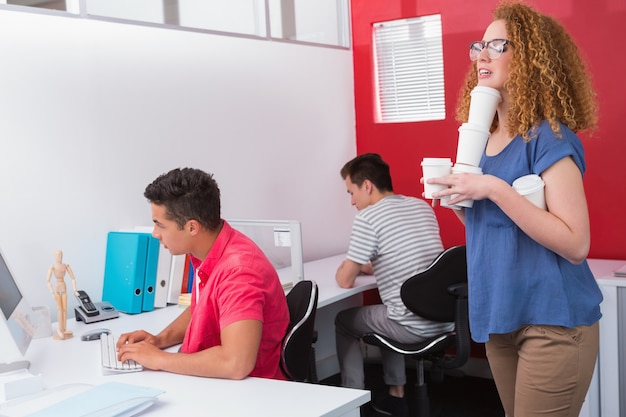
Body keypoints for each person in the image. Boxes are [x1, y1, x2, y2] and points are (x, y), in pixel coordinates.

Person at [425, 2, 603, 416]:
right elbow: (491, 224)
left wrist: (491, 187)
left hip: (552, 320)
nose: (481, 55)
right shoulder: (482, 141)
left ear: (528, 58)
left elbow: (576, 244)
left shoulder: (549, 137)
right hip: (500, 313)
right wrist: (457, 197)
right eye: (479, 46)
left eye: (498, 45)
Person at [116, 167, 290, 380]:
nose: (155, 234)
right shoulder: (211, 250)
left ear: (192, 228)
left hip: (246, 393)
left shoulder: (239, 272)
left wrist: (159, 359)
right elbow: (203, 307)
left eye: (160, 225)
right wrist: (158, 340)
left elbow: (236, 363)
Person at [334, 153, 449, 417]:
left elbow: (344, 280)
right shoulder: (421, 206)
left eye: (351, 192)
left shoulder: (368, 219)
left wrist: (349, 265)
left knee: (344, 321)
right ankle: (396, 393)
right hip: (447, 318)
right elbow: (408, 258)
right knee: (386, 309)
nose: (352, 201)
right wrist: (367, 265)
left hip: (411, 326)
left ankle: (351, 401)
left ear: (367, 186)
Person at [46, 250, 78, 340]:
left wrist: (75, 290)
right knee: (59, 309)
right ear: (54, 256)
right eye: (57, 255)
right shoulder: (52, 267)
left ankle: (63, 329)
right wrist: (52, 292)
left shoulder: (65, 266)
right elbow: (47, 280)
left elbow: (73, 278)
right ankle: (60, 329)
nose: (58, 256)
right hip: (57, 289)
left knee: (64, 309)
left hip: (63, 287)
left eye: (60, 255)